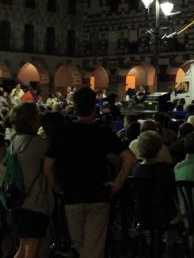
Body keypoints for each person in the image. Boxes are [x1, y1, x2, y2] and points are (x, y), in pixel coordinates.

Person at [44, 87, 136, 258]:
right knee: (94, 247)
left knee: (78, 246)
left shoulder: (64, 133)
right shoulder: (103, 132)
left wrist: (56, 187)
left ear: (74, 106)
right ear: (95, 107)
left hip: (71, 195)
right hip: (98, 195)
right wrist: (118, 182)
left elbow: (48, 164)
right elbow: (130, 158)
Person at [7, 102, 52, 258]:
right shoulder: (39, 143)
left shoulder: (14, 141)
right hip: (34, 203)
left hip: (16, 200)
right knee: (31, 248)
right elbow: (50, 168)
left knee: (22, 246)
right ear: (31, 120)